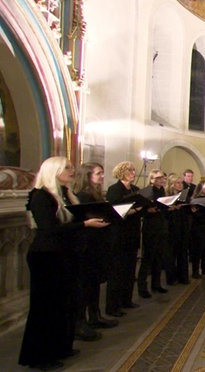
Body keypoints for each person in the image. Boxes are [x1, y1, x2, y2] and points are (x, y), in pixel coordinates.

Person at [19, 157, 109, 370]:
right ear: (55, 170)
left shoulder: (66, 194)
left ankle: (61, 347)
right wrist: (85, 223)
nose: (72, 170)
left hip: (66, 255)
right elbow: (49, 229)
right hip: (47, 256)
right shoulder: (41, 196)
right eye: (67, 167)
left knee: (65, 304)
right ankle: (40, 357)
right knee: (46, 307)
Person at [74, 163, 118, 341]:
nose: (102, 176)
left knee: (94, 283)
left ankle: (95, 315)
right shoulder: (82, 196)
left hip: (98, 242)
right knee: (85, 285)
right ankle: (81, 322)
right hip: (87, 244)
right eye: (98, 173)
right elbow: (83, 218)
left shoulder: (96, 194)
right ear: (87, 176)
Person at [105, 161, 143, 317]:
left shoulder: (135, 189)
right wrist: (133, 211)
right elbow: (113, 211)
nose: (133, 173)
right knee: (117, 270)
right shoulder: (114, 189)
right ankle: (113, 306)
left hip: (132, 232)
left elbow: (141, 208)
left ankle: (126, 299)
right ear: (121, 172)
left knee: (129, 268)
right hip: (119, 233)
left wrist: (141, 209)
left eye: (134, 170)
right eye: (130, 170)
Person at [138, 170, 170, 298]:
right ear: (151, 180)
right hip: (150, 227)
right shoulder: (147, 191)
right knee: (148, 258)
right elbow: (141, 208)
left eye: (162, 178)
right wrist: (148, 210)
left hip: (161, 226)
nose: (161, 180)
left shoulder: (162, 191)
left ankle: (156, 284)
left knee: (159, 256)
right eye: (158, 178)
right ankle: (142, 287)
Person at [165, 173, 190, 285]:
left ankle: (183, 277)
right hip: (171, 227)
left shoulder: (183, 196)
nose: (180, 185)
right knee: (171, 254)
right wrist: (172, 208)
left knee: (183, 252)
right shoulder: (166, 197)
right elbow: (163, 213)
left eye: (181, 183)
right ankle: (171, 277)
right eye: (177, 183)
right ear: (171, 184)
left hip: (182, 226)